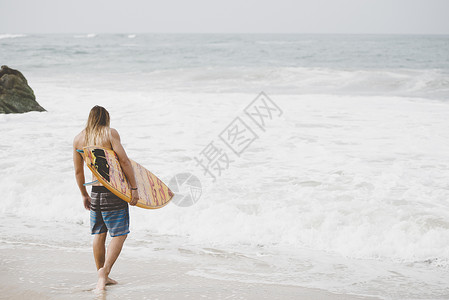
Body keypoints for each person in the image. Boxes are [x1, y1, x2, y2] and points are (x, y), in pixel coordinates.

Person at [73, 105, 139, 290]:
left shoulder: (78, 139)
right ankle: (105, 271)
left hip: (95, 193)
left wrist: (84, 194)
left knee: (99, 234)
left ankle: (101, 275)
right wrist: (133, 188)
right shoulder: (110, 134)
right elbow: (124, 161)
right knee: (120, 234)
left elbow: (78, 172)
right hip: (113, 192)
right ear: (106, 118)